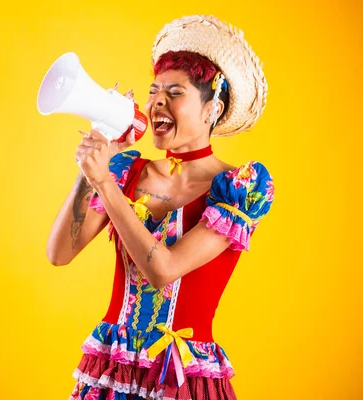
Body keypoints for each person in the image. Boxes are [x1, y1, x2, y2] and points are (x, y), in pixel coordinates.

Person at [46, 14, 274, 400]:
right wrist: (91, 166)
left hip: (184, 376)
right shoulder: (125, 170)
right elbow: (59, 252)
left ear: (212, 109)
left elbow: (163, 270)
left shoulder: (242, 186)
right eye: (154, 91)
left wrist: (103, 181)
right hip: (112, 366)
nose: (157, 102)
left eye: (175, 91)